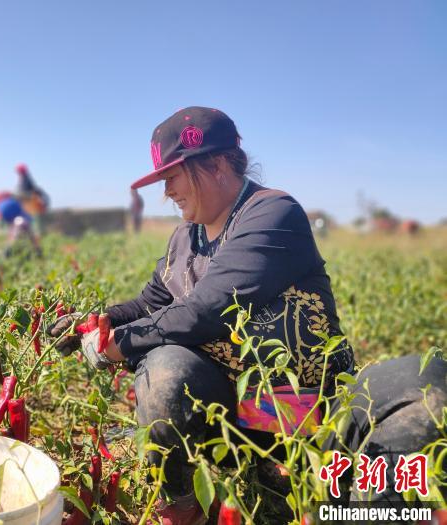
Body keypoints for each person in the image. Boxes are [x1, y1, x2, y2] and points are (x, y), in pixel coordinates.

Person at [49, 107, 445, 523]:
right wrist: (97, 321)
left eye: (172, 177)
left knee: (426, 381)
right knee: (165, 370)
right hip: (236, 421)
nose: (167, 192)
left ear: (217, 164)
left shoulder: (272, 214)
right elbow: (151, 303)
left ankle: (364, 504)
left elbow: (207, 309)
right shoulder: (185, 237)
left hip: (314, 410)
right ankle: (184, 505)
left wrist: (120, 345)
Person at [0, 193, 42, 257]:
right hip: (21, 249)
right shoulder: (19, 221)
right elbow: (30, 235)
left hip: (21, 249)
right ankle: (8, 252)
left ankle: (8, 252)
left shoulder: (18, 221)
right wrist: (37, 248)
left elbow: (15, 236)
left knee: (14, 241)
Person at [15, 163, 49, 234]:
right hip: (26, 201)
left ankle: (29, 232)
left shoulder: (25, 179)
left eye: (19, 171)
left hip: (28, 202)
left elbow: (27, 191)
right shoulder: (25, 178)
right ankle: (26, 231)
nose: (18, 173)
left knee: (27, 217)